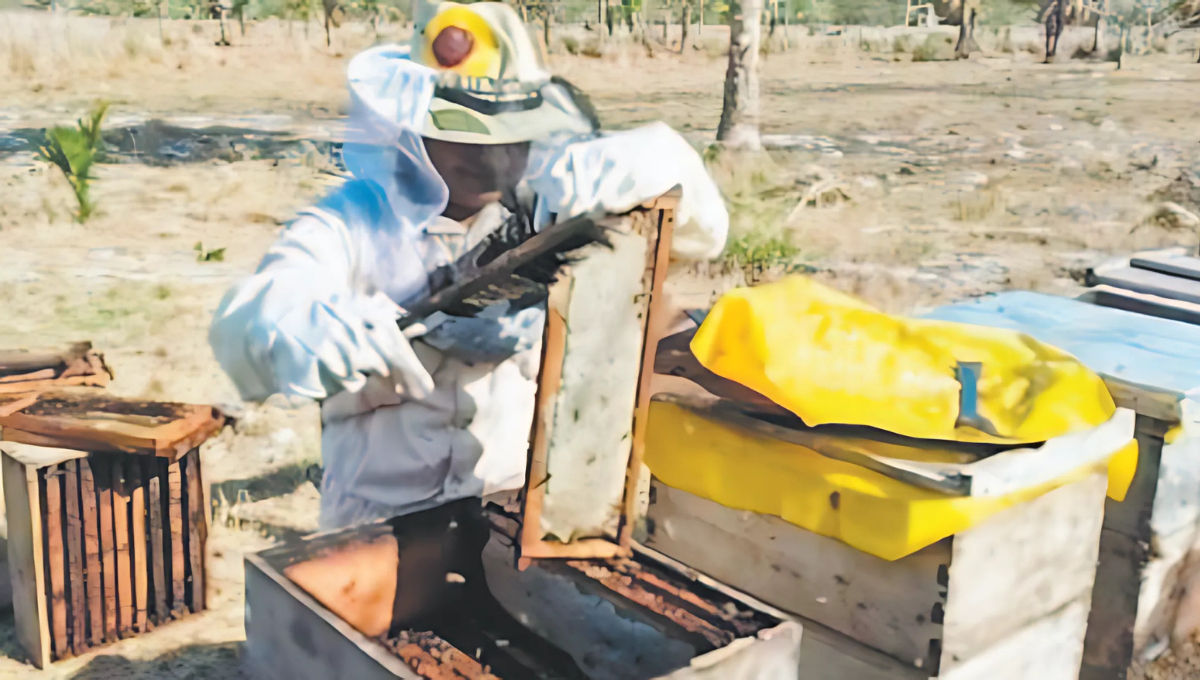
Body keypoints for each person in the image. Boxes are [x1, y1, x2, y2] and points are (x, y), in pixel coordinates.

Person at [209, 0, 728, 656]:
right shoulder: (348, 225)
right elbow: (247, 325)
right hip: (375, 543)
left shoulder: (555, 212)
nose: (486, 158)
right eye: (460, 133)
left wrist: (663, 168)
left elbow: (702, 232)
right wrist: (309, 327)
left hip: (512, 533)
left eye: (506, 136)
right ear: (408, 128)